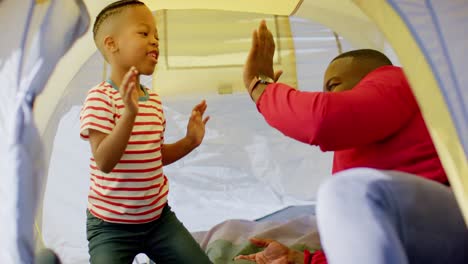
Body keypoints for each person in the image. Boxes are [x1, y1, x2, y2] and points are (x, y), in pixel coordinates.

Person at [235, 21, 468, 264]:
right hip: (423, 235)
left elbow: (321, 120)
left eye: (333, 85)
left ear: (370, 74)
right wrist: (304, 260)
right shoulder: (365, 150)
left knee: (347, 191)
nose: (326, 97)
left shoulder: (397, 80)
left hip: (453, 218)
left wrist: (260, 87)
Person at [79, 1, 212, 263]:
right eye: (143, 33)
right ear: (111, 44)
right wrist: (128, 114)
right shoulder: (99, 98)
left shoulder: (153, 99)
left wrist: (190, 142)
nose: (155, 42)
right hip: (110, 227)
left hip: (158, 221)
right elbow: (105, 161)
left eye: (157, 36)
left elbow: (154, 155)